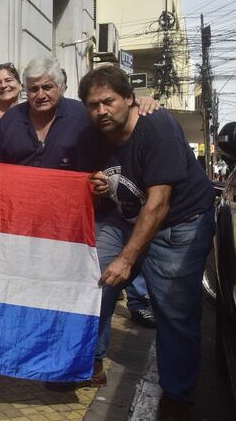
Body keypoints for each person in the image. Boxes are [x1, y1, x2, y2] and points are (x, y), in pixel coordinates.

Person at [82, 65, 215, 420]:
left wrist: (126, 260)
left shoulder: (158, 127)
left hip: (178, 224)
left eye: (108, 101)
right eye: (93, 105)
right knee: (92, 285)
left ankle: (177, 396)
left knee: (174, 311)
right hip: (124, 217)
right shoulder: (94, 131)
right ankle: (89, 363)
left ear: (129, 99)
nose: (101, 111)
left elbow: (158, 204)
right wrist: (97, 186)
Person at [0, 56, 92, 170]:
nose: (41, 95)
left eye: (47, 87)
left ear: (60, 87)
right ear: (25, 90)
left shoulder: (81, 115)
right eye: (34, 89)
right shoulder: (9, 121)